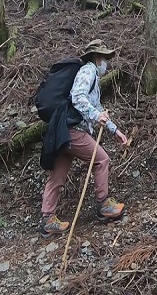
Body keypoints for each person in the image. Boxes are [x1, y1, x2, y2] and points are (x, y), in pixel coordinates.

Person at [39, 39, 129, 237]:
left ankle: (47, 219)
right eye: (105, 58)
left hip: (64, 131)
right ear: (97, 57)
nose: (106, 63)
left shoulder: (91, 76)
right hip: (73, 131)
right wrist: (97, 116)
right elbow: (78, 97)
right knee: (102, 159)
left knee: (57, 176)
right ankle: (104, 205)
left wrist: (115, 130)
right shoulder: (88, 71)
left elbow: (95, 108)